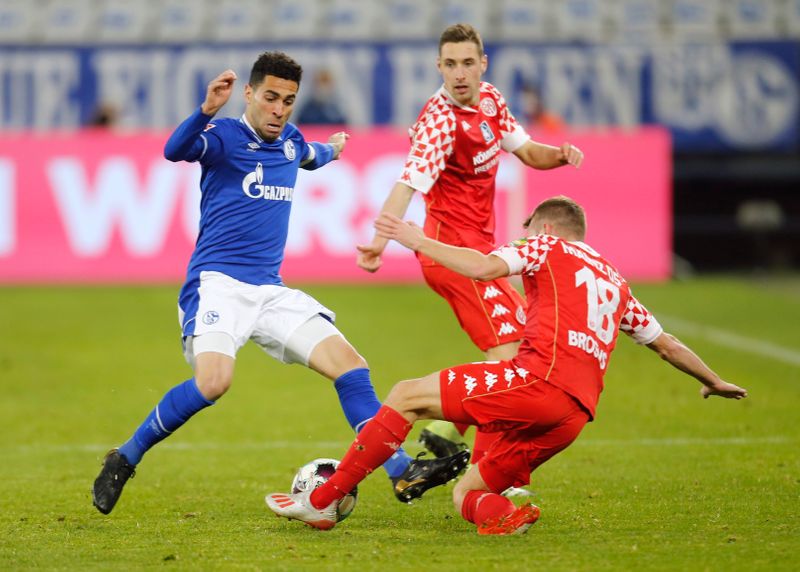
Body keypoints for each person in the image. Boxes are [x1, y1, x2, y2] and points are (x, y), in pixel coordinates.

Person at [91, 51, 468, 515]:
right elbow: (174, 150)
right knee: (213, 383)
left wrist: (336, 146)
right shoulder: (225, 136)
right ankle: (125, 457)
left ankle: (401, 469)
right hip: (218, 285)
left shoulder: (290, 141)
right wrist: (207, 108)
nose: (279, 109)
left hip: (270, 291)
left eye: (288, 100)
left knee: (350, 366)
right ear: (249, 94)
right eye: (270, 97)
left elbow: (313, 155)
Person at [266, 196, 748, 534]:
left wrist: (417, 239)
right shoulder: (616, 282)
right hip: (573, 418)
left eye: (528, 230)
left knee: (405, 395)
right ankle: (504, 516)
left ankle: (322, 502)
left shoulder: (549, 246)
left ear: (547, 228)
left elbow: (482, 267)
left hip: (535, 382)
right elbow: (666, 344)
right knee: (468, 493)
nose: (523, 239)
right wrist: (714, 379)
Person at [356, 23, 584, 474]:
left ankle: (445, 435)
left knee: (519, 350)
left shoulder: (492, 100)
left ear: (483, 64)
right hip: (454, 256)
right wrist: (379, 243)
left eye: (467, 63)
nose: (459, 74)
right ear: (438, 67)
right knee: (512, 359)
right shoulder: (439, 124)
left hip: (481, 254)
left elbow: (527, 151)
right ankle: (487, 476)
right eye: (449, 65)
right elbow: (406, 186)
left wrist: (558, 154)